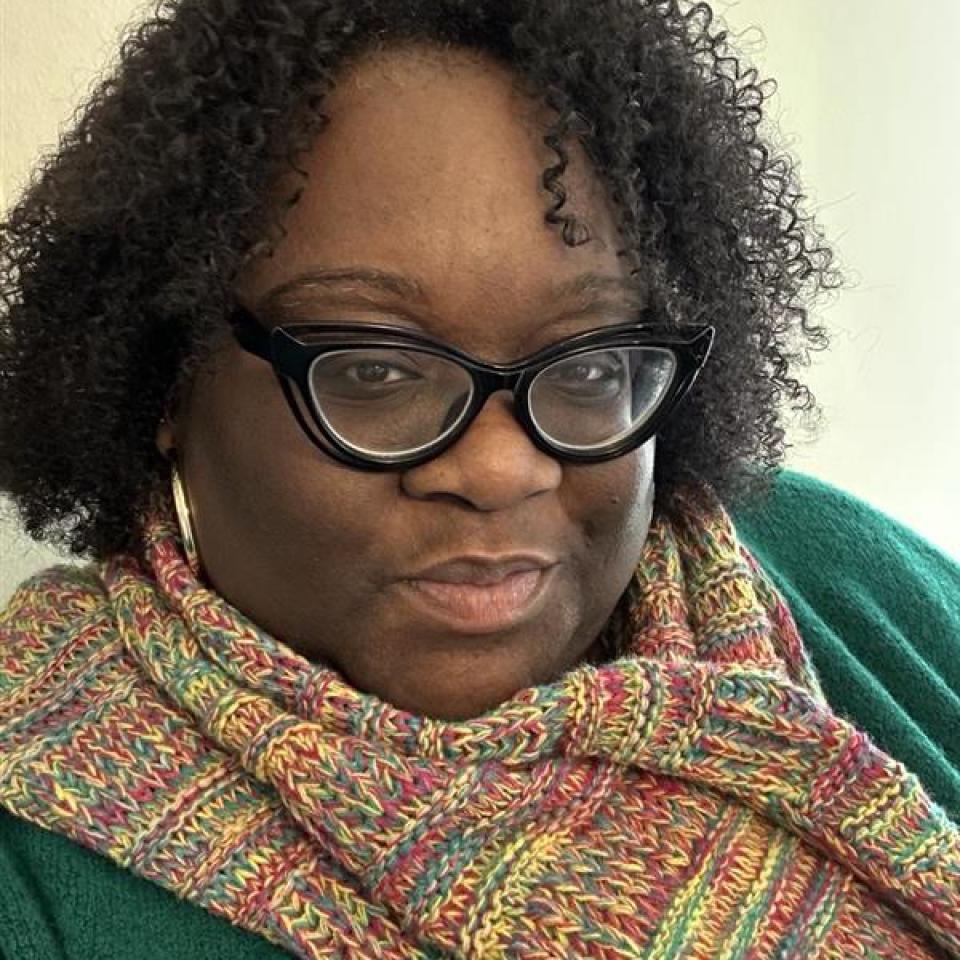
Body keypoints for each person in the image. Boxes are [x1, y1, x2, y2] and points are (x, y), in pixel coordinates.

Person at [0, 1, 957, 957]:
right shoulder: (33, 868)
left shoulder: (829, 571)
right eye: (374, 370)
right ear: (166, 377)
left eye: (586, 366)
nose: (503, 468)